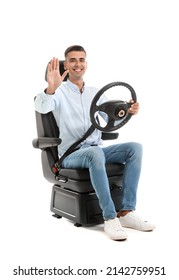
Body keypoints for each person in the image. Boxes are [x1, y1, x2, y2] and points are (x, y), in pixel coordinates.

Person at [35, 45, 155, 240]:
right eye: (72, 60)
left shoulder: (94, 92)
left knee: (135, 148)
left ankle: (126, 212)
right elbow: (41, 106)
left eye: (81, 60)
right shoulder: (58, 92)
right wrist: (51, 87)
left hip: (95, 150)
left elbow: (111, 120)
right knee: (95, 153)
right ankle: (109, 217)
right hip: (71, 155)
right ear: (67, 64)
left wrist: (126, 110)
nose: (77, 64)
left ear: (86, 64)